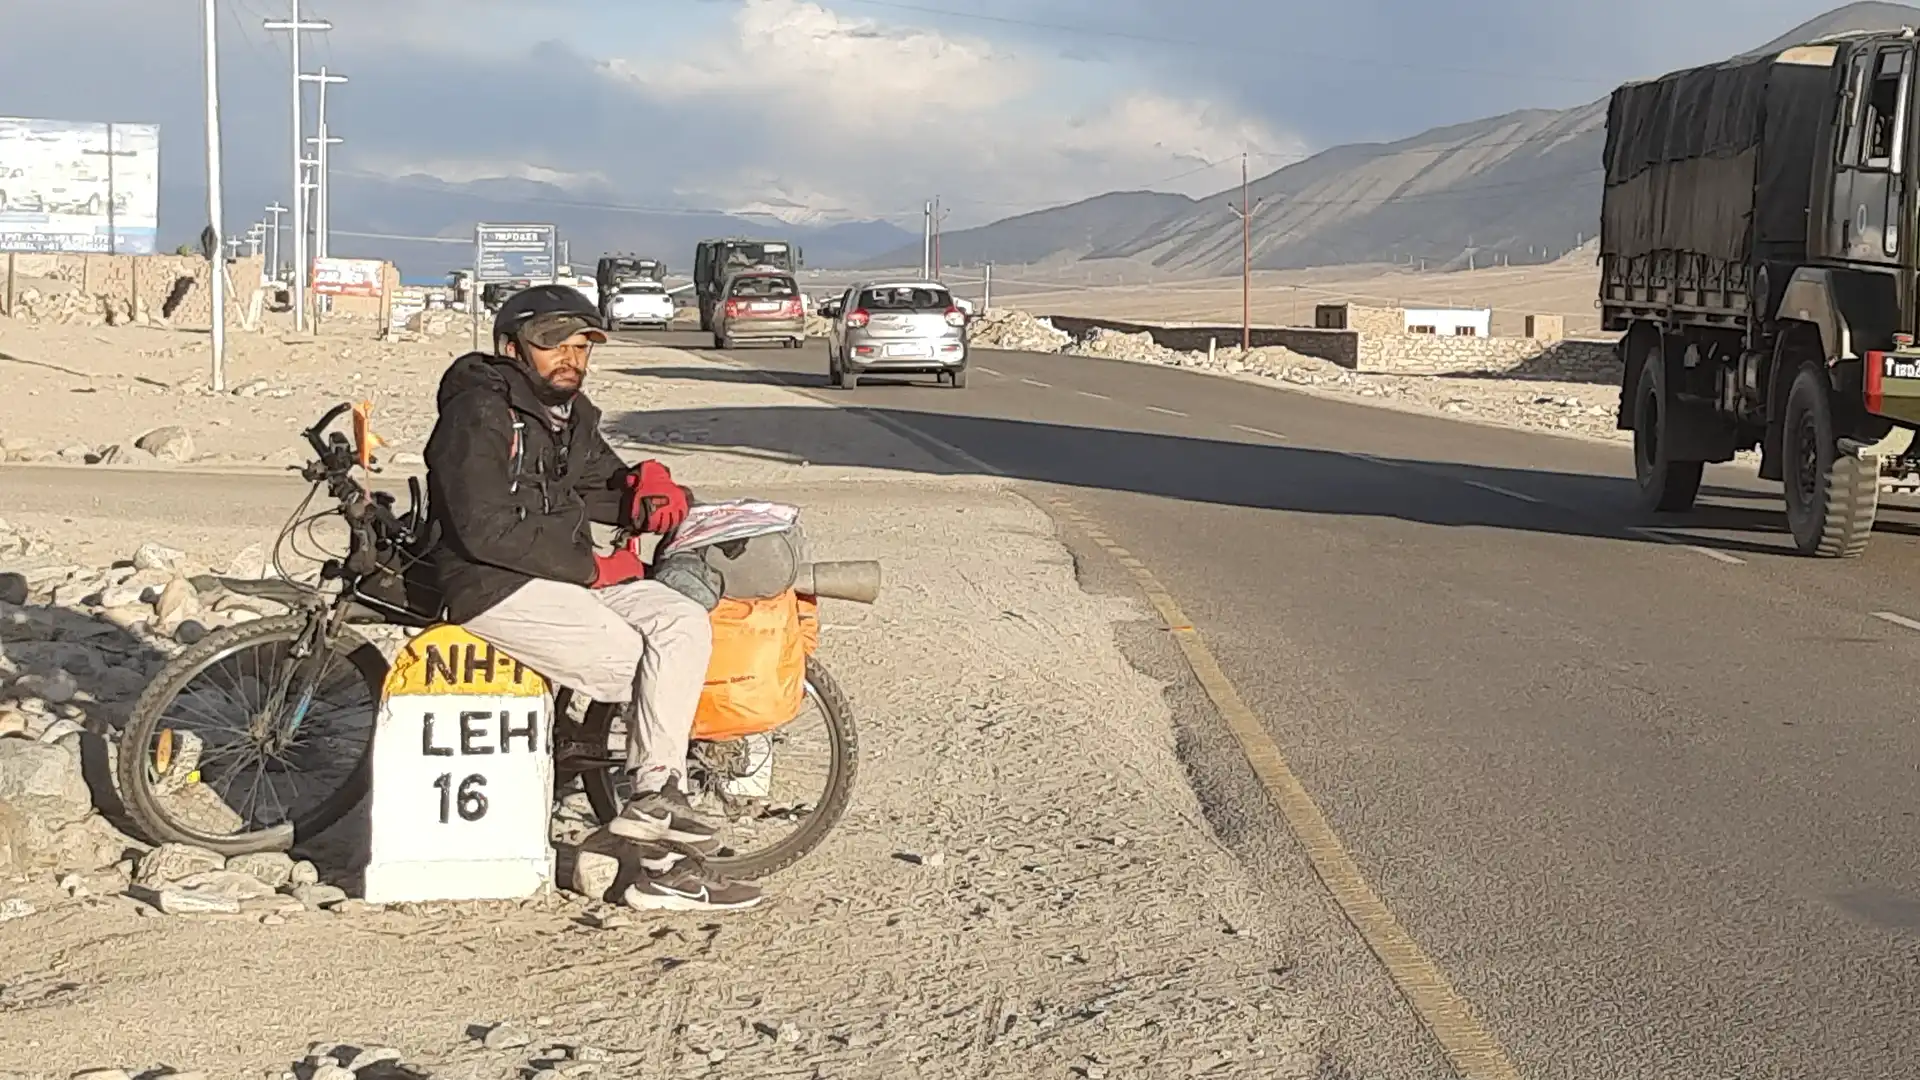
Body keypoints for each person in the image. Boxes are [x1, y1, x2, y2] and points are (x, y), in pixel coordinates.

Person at [422, 283, 761, 912]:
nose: (570, 357)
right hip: (492, 583)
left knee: (680, 623)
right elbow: (483, 527)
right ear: (511, 348)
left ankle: (656, 794)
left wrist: (650, 490)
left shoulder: (568, 418)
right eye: (553, 343)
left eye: (581, 345)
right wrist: (591, 569)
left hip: (560, 578)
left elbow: (601, 485)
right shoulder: (480, 413)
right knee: (639, 667)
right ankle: (657, 867)